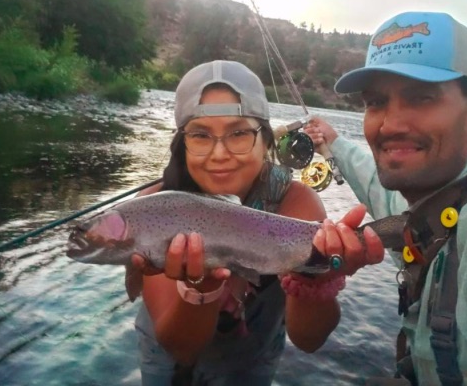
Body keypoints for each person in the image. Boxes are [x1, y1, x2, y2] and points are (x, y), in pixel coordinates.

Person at [128, 60, 383, 386]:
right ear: (182, 145)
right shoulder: (153, 209)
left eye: (239, 133)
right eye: (201, 135)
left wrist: (315, 280)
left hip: (252, 360)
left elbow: (309, 340)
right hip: (163, 353)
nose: (219, 153)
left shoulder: (295, 203)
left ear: (266, 142)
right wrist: (203, 288)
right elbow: (181, 347)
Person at [304, 11, 467, 385]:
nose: (391, 125)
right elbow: (370, 178)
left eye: (422, 98)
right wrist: (332, 142)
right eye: (376, 102)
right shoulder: (419, 196)